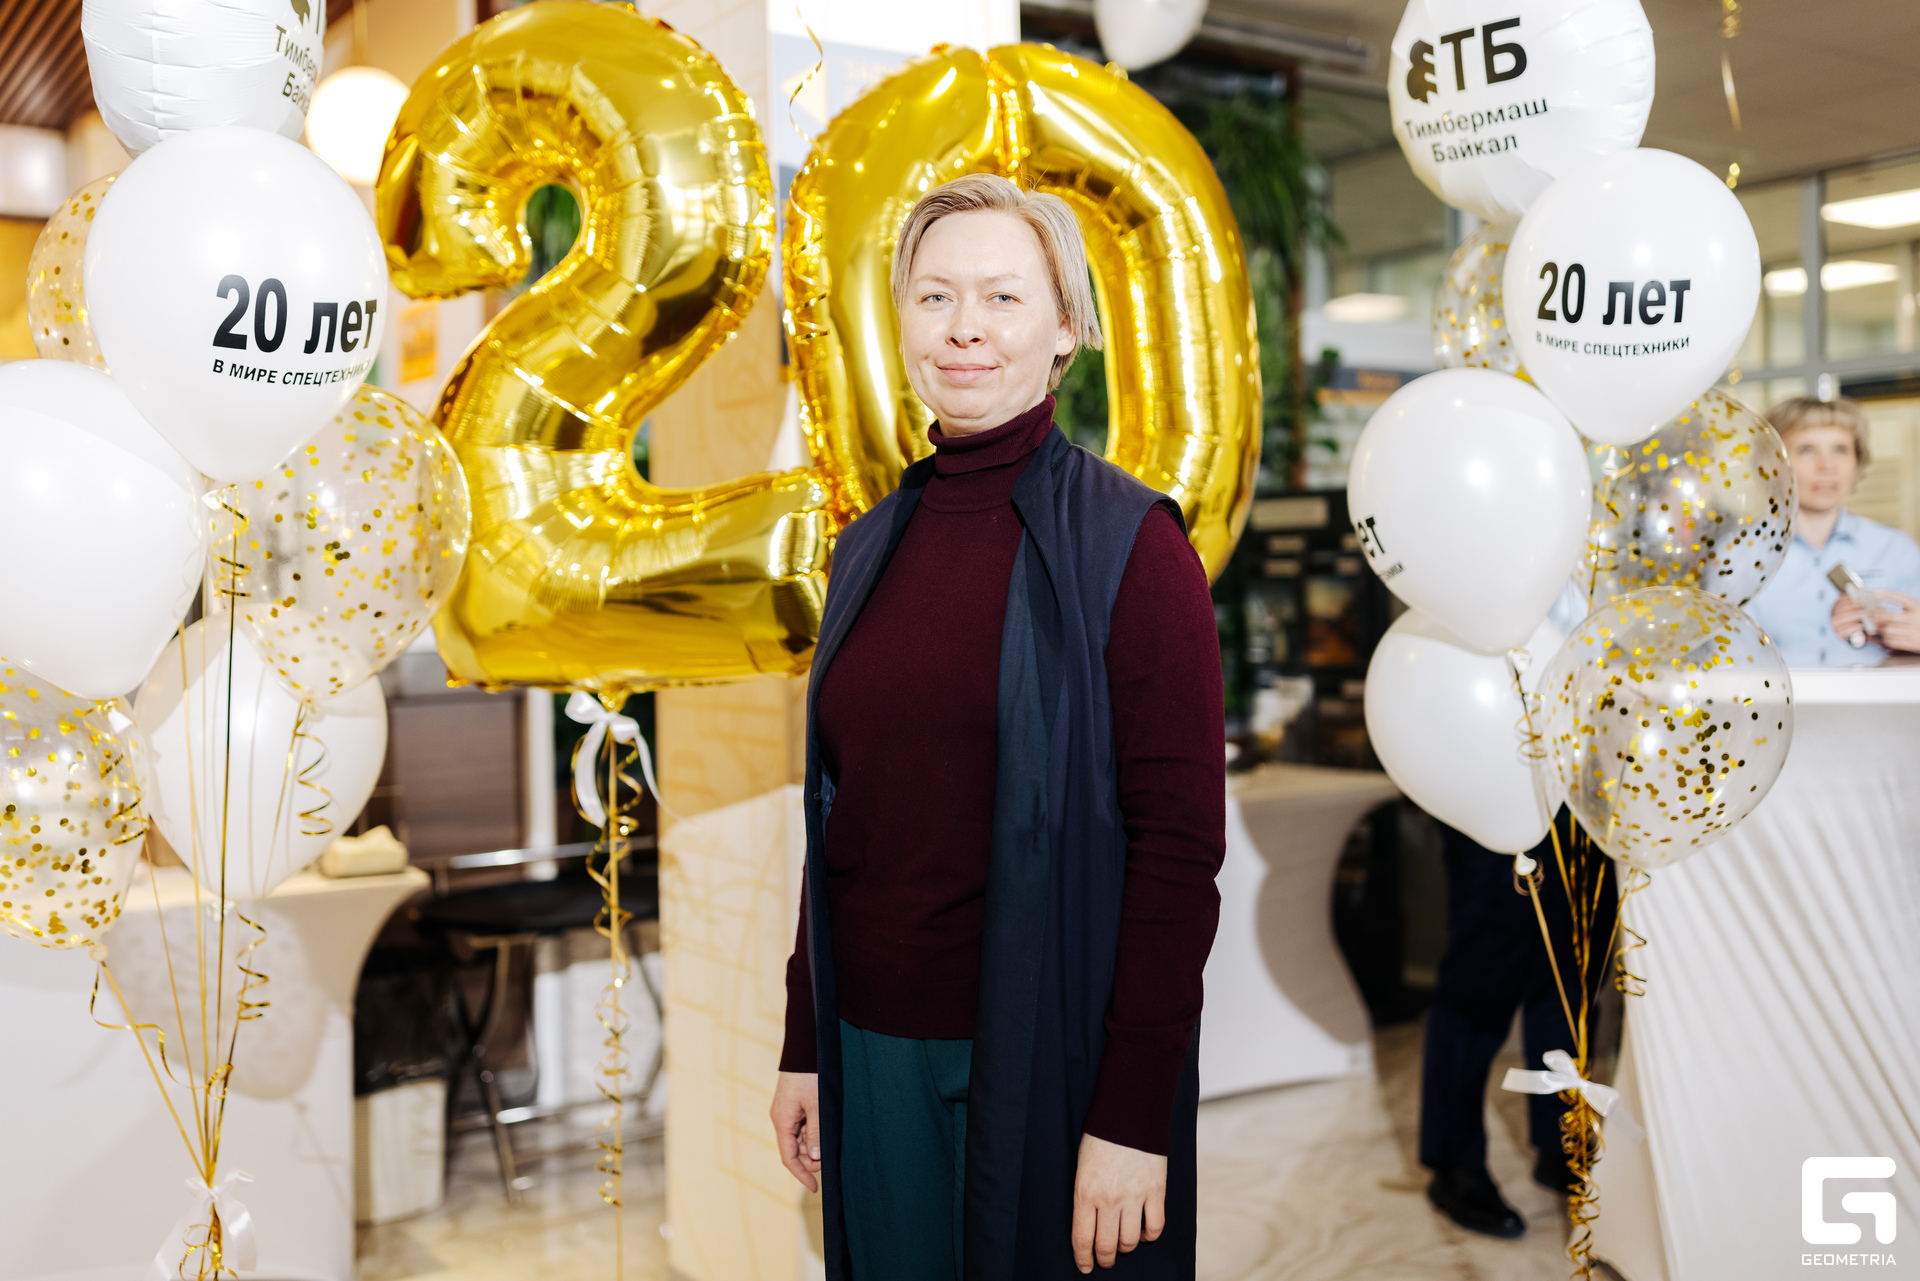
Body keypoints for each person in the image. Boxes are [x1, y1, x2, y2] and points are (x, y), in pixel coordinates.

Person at [767, 174, 1225, 1281]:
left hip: (1047, 1048)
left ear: (1065, 328)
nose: (964, 327)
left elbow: (1178, 853)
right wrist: (805, 1042)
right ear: (903, 322)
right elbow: (841, 815)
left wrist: (1134, 1113)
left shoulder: (1131, 545)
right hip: (872, 1048)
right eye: (935, 297)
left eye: (1002, 297)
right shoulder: (866, 546)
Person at [1418, 817, 1616, 1238]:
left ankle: (1560, 1138)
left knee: (1571, 985)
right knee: (1477, 987)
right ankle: (1454, 1164)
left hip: (1588, 812)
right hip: (1495, 807)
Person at [1746, 395, 1920, 666]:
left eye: (1840, 449)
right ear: (1772, 463)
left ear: (1857, 461)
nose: (1827, 466)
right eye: (1806, 450)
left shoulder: (1896, 550)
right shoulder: (1738, 555)